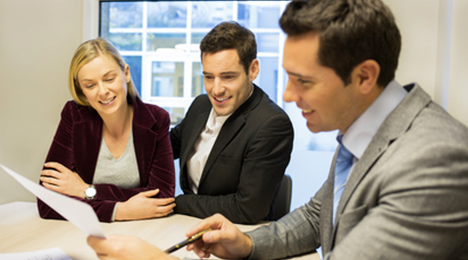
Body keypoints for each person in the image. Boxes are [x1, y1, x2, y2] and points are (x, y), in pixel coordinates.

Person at [87, 0, 468, 259]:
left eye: (303, 80)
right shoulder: (365, 133)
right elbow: (315, 218)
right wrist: (247, 244)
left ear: (364, 76)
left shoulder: (434, 159)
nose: (287, 94)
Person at [38, 38, 176, 223]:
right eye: (90, 85)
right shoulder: (74, 115)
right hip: (86, 234)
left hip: (142, 231)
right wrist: (120, 211)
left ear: (126, 73)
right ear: (81, 90)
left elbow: (162, 198)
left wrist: (86, 190)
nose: (102, 91)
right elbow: (47, 202)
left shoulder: (156, 119)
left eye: (109, 79)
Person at [169, 21, 294, 224]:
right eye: (209, 77)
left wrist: (177, 204)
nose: (216, 89)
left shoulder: (271, 124)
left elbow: (247, 208)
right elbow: (164, 148)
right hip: (188, 224)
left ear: (253, 69)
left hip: (238, 233)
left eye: (227, 77)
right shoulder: (201, 105)